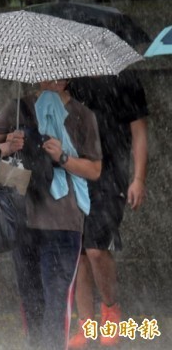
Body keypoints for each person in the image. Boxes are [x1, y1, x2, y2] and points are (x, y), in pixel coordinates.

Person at [0, 79, 103, 350]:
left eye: (60, 75)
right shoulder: (18, 107)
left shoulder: (82, 115)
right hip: (22, 215)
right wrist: (8, 143)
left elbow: (95, 169)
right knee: (30, 298)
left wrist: (63, 158)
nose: (54, 80)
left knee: (56, 300)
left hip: (63, 220)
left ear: (68, 78)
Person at [67, 74, 148, 348]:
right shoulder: (66, 81)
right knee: (78, 255)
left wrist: (138, 179)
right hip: (74, 175)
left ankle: (111, 309)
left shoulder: (125, 80)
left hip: (111, 177)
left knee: (96, 249)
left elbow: (139, 132)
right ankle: (86, 326)